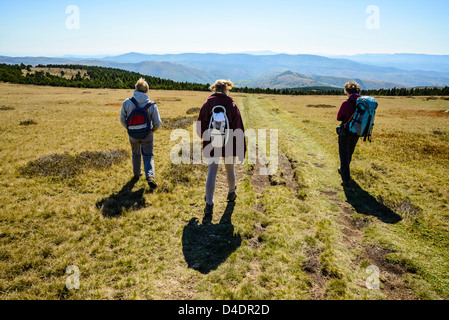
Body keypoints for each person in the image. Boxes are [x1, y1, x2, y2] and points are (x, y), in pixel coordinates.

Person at [197, 80, 246, 217]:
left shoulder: (207, 105)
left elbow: (200, 127)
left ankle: (209, 203)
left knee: (212, 172)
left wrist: (205, 138)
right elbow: (238, 128)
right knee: (230, 168)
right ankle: (231, 193)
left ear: (214, 89)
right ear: (226, 89)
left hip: (212, 142)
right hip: (229, 142)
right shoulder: (232, 105)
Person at [120, 78, 162, 189]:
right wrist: (153, 129)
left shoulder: (127, 102)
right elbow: (158, 122)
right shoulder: (152, 105)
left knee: (135, 153)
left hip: (132, 134)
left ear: (135, 89)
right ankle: (150, 177)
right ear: (146, 91)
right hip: (147, 133)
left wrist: (129, 128)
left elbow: (122, 119)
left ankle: (137, 173)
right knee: (148, 155)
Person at [337, 81, 361, 187]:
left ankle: (346, 179)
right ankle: (343, 169)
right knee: (349, 153)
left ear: (347, 91)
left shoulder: (346, 103)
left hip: (346, 132)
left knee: (344, 155)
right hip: (357, 131)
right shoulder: (362, 103)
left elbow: (339, 117)